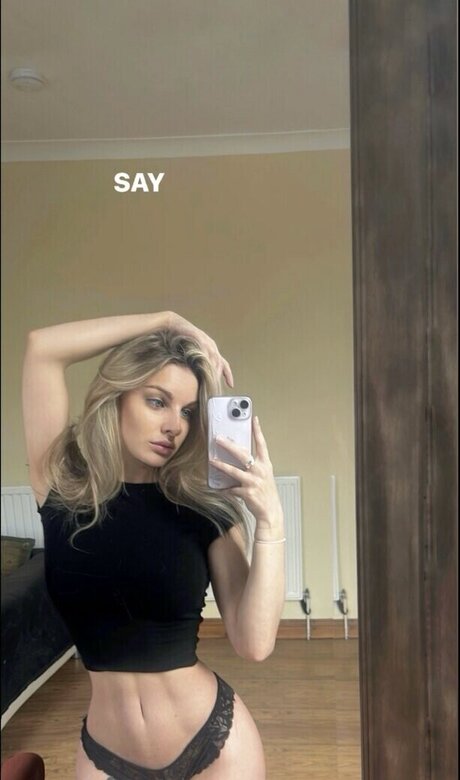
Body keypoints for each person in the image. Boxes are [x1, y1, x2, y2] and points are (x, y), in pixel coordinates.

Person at [22, 311, 286, 780]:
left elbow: (254, 643)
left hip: (214, 746)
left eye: (187, 412)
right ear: (118, 395)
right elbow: (43, 349)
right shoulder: (62, 490)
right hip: (105, 754)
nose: (174, 426)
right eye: (157, 401)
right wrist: (167, 320)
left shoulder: (205, 509)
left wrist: (270, 520)